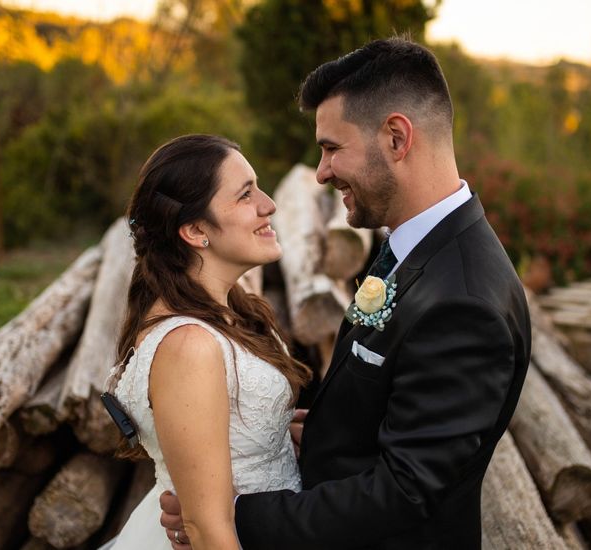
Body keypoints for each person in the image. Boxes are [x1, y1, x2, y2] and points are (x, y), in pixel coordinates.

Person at [160, 37, 532, 549]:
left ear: (397, 139)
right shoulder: (412, 247)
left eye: (333, 148)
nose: (321, 172)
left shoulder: (463, 302)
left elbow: (402, 494)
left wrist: (228, 518)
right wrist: (326, 432)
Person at [102, 134, 312, 550]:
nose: (268, 204)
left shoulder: (234, 312)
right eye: (245, 194)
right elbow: (204, 527)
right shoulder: (188, 346)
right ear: (197, 229)